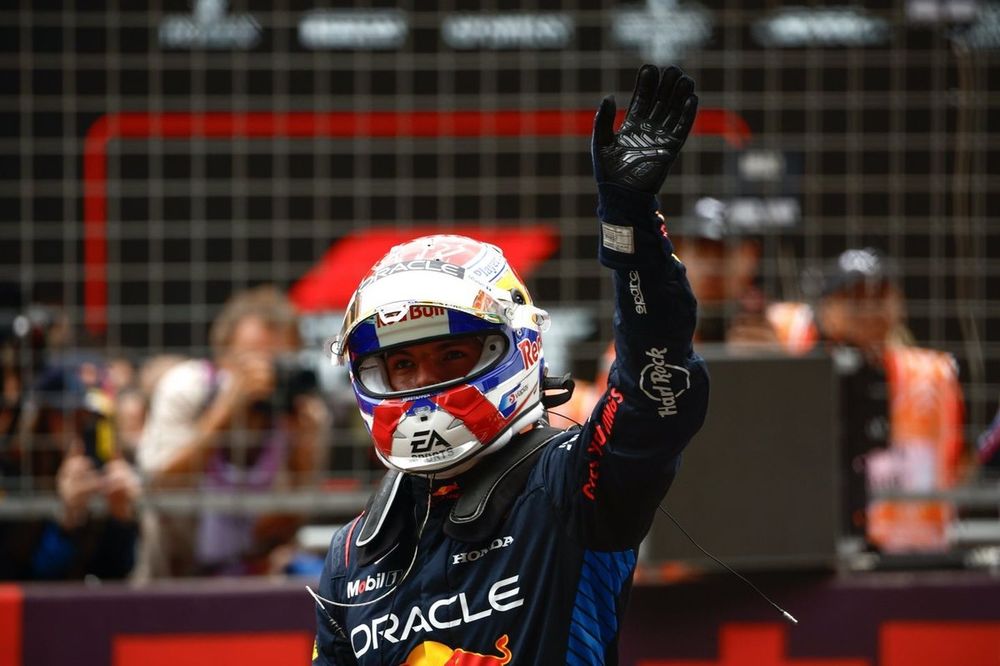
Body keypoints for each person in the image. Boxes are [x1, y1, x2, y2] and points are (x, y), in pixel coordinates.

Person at [310, 64, 709, 664]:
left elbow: (656, 393)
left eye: (451, 355)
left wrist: (629, 231)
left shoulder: (573, 486)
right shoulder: (351, 554)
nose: (423, 386)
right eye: (402, 367)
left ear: (517, 348)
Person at [134, 285, 327, 578]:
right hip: (169, 576)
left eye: (278, 361)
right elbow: (158, 484)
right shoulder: (188, 388)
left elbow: (290, 523)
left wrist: (302, 453)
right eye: (253, 359)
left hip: (249, 579)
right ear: (223, 357)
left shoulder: (303, 415)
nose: (265, 374)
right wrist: (224, 413)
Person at [811, 248, 965, 553]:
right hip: (830, 544)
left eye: (879, 295)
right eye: (854, 297)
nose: (868, 308)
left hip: (917, 547)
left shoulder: (934, 373)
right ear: (826, 309)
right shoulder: (805, 375)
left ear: (900, 305)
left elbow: (960, 454)